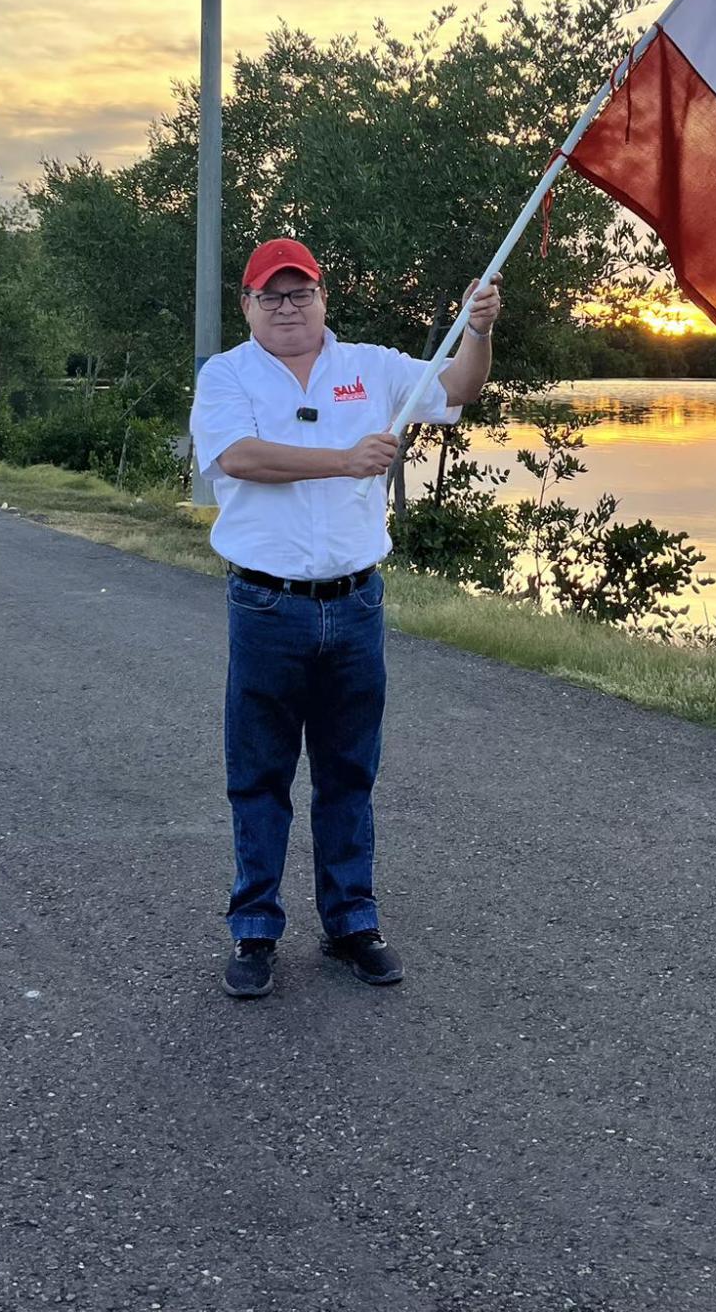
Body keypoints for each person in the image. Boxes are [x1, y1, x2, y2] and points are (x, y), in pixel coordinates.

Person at [189, 236, 502, 999]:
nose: (288, 307)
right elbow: (238, 458)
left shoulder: (372, 365)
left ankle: (351, 923)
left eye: (301, 293)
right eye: (272, 296)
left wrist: (478, 328)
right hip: (267, 603)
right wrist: (343, 459)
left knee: (348, 774)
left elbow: (458, 389)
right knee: (259, 776)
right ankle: (255, 929)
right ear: (248, 303)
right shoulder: (226, 374)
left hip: (356, 602)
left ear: (324, 297)